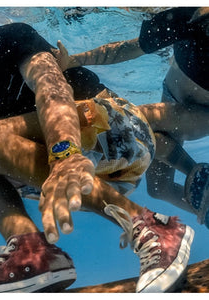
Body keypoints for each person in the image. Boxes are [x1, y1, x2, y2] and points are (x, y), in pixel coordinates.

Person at [0, 7, 193, 293]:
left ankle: (151, 226)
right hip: (88, 175)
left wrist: (65, 155)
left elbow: (51, 87)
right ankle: (32, 254)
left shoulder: (11, 38)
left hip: (120, 132)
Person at [52, 6, 209, 228]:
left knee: (139, 118)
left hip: (203, 114)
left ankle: (83, 157)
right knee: (158, 189)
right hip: (172, 98)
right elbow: (128, 48)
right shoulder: (184, 18)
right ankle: (205, 205)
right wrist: (74, 61)